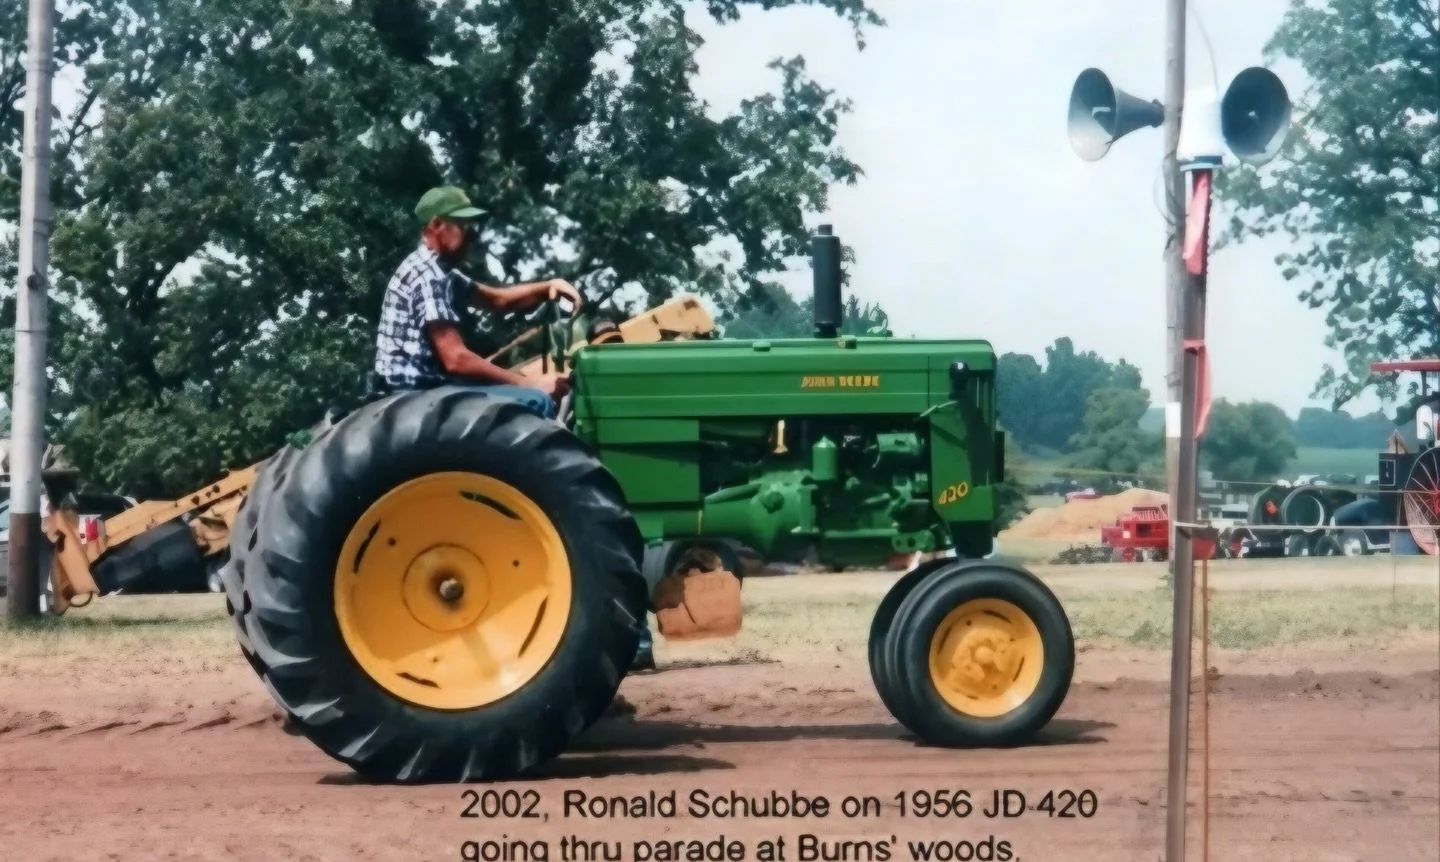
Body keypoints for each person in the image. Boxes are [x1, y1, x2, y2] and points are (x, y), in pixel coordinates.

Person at [372, 185, 582, 418]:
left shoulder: (438, 272)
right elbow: (456, 360)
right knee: (536, 402)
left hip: (428, 389)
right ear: (437, 225)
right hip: (417, 394)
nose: (472, 235)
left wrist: (548, 287)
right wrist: (528, 384)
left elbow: (498, 300)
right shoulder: (428, 276)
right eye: (463, 225)